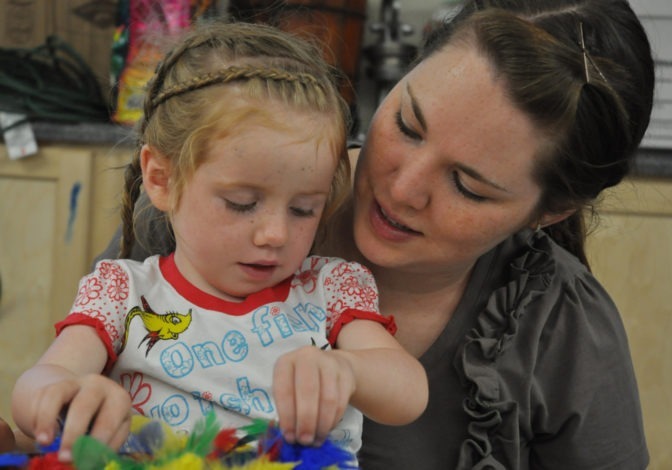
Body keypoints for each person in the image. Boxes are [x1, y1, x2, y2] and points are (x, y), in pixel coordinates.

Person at [79, 0, 656, 467]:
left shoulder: (562, 327)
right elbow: (65, 405)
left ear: (548, 212)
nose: (403, 188)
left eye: (468, 186)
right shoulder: (198, 220)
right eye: (407, 125)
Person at [10, 21, 429, 464]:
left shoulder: (330, 288)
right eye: (242, 203)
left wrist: (348, 370)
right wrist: (71, 393)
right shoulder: (124, 294)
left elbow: (408, 392)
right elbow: (36, 385)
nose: (276, 234)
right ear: (162, 179)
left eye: (304, 209)